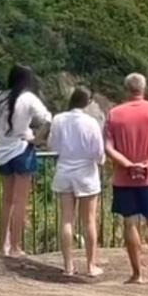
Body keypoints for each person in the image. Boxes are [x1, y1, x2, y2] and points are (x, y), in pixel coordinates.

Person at [104, 73, 148, 284]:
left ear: (126, 89)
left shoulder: (114, 114)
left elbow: (108, 147)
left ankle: (136, 274)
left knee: (130, 223)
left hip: (124, 179)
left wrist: (127, 164)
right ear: (144, 88)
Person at [0, 65, 52, 258]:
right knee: (20, 201)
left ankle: (2, 246)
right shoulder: (28, 98)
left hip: (2, 152)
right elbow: (47, 119)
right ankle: (15, 246)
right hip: (22, 150)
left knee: (6, 200)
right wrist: (36, 139)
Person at [48, 87, 105, 277]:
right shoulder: (91, 122)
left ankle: (68, 266)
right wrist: (100, 161)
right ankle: (91, 265)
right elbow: (98, 152)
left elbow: (52, 145)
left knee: (66, 219)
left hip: (64, 171)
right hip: (86, 174)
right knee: (89, 221)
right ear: (87, 103)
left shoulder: (58, 119)